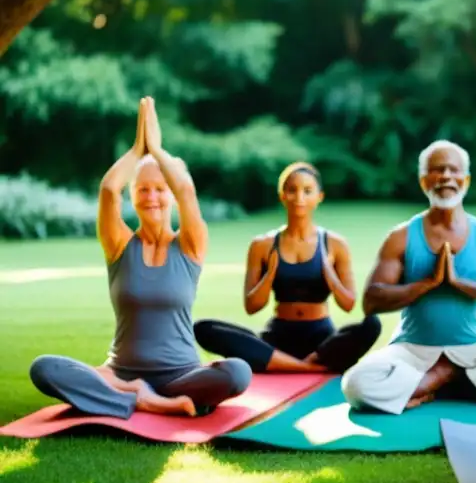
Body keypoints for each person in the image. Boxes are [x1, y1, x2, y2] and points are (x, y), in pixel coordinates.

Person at [28, 97, 252, 418]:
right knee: (45, 368)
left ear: (171, 195)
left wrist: (157, 151)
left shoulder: (190, 243)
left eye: (160, 189)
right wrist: (138, 149)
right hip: (121, 374)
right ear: (132, 195)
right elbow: (108, 190)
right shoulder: (119, 243)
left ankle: (132, 399)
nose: (152, 197)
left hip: (181, 375)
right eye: (143, 189)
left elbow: (187, 190)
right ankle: (143, 400)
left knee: (237, 373)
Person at [340, 139, 476, 413]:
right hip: (414, 347)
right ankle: (443, 378)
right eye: (437, 170)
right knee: (356, 385)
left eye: (453, 170)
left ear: (466, 179)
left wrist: (460, 284)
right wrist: (428, 283)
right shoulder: (400, 237)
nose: (446, 176)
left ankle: (438, 380)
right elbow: (372, 301)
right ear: (424, 180)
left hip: (475, 347)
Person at [193, 162, 382, 374]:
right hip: (278, 337)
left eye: (307, 191)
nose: (299, 198)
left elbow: (348, 304)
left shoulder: (335, 244)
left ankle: (297, 362)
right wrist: (271, 273)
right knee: (203, 328)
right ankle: (309, 368)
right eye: (292, 190)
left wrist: (329, 273)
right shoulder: (262, 245)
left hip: (321, 339)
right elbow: (252, 306)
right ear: (282, 195)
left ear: (319, 197)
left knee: (372, 325)